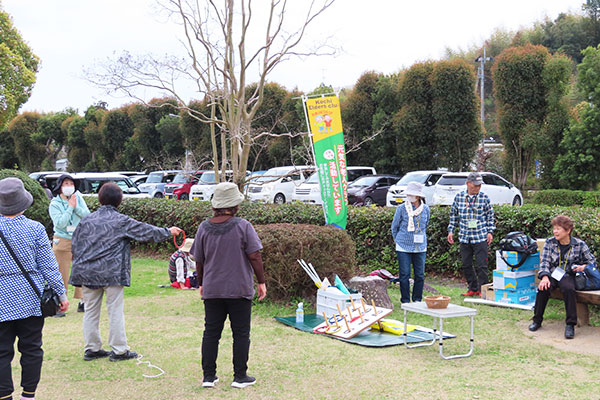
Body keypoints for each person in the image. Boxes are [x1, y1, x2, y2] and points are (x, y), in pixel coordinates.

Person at [69, 182, 182, 362]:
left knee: (90, 311)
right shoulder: (121, 221)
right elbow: (145, 231)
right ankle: (120, 350)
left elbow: (74, 245)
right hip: (111, 272)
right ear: (119, 201)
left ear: (100, 199)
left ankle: (92, 348)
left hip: (86, 272)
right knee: (114, 310)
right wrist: (168, 231)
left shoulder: (86, 220)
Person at [190, 182, 267, 389]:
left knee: (211, 333)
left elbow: (199, 259)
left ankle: (208, 377)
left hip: (213, 288)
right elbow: (255, 255)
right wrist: (261, 281)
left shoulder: (203, 227)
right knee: (241, 333)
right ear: (235, 205)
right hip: (239, 288)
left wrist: (202, 282)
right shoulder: (243, 226)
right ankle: (240, 376)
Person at [0, 177, 69, 400]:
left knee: (1, 352)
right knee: (31, 348)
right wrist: (61, 293)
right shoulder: (35, 229)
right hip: (30, 298)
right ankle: (28, 395)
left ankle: (4, 396)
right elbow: (49, 266)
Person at [528, 215, 595, 339]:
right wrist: (544, 277)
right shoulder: (550, 242)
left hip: (569, 274)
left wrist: (582, 267)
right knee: (543, 288)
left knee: (569, 289)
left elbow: (592, 262)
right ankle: (537, 320)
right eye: (554, 228)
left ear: (568, 230)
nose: (555, 231)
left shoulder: (579, 244)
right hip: (553, 273)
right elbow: (545, 262)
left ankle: (570, 324)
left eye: (558, 229)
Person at [447, 172, 495, 297]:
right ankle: (472, 288)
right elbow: (454, 215)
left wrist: (490, 231)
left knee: (482, 265)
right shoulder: (459, 197)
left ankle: (482, 290)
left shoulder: (484, 198)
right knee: (466, 264)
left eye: (479, 186)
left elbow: (490, 216)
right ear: (468, 184)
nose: (478, 188)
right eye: (475, 185)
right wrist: (451, 230)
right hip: (464, 236)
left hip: (480, 237)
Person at [49, 174, 90, 315]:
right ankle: (60, 304)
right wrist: (69, 208)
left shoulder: (78, 197)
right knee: (61, 273)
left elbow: (87, 215)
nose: (69, 186)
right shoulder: (55, 203)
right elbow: (60, 223)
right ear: (60, 186)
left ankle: (83, 301)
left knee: (83, 270)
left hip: (79, 238)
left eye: (71, 183)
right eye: (65, 183)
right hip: (62, 240)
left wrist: (75, 206)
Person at [391, 182, 430, 303]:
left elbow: (426, 224)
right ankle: (405, 301)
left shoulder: (426, 209)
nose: (410, 196)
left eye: (412, 194)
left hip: (420, 246)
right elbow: (394, 227)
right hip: (403, 245)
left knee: (420, 275)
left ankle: (417, 299)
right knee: (404, 275)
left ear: (418, 196)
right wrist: (398, 240)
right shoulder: (401, 208)